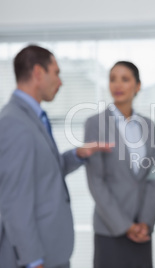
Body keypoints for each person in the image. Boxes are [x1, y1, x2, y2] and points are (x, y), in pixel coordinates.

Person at [0, 45, 112, 268]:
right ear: (38, 73)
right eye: (57, 73)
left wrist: (78, 154)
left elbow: (43, 172)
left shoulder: (33, 117)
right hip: (35, 257)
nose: (60, 82)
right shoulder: (14, 123)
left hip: (51, 251)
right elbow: (14, 202)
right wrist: (33, 260)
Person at [84, 61, 155, 268]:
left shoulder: (149, 126)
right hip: (110, 229)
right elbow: (96, 182)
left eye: (125, 79)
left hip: (142, 228)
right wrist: (125, 226)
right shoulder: (95, 124)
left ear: (137, 86)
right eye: (112, 79)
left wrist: (145, 222)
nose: (117, 85)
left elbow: (154, 177)